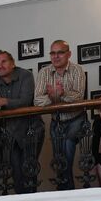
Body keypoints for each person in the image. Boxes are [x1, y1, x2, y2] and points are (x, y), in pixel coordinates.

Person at [0, 50, 43, 194]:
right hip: (10, 134)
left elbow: (26, 101)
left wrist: (2, 101)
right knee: (17, 174)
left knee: (29, 172)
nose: (0, 66)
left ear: (12, 63)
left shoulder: (26, 75)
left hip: (31, 130)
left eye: (4, 62)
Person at [33, 40, 87, 190]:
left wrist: (60, 94)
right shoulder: (44, 72)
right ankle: (65, 190)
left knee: (66, 157)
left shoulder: (78, 70)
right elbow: (37, 100)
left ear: (68, 54)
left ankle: (65, 190)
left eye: (60, 52)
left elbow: (79, 96)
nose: (56, 56)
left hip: (76, 119)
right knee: (60, 160)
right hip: (57, 121)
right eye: (52, 53)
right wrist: (53, 97)